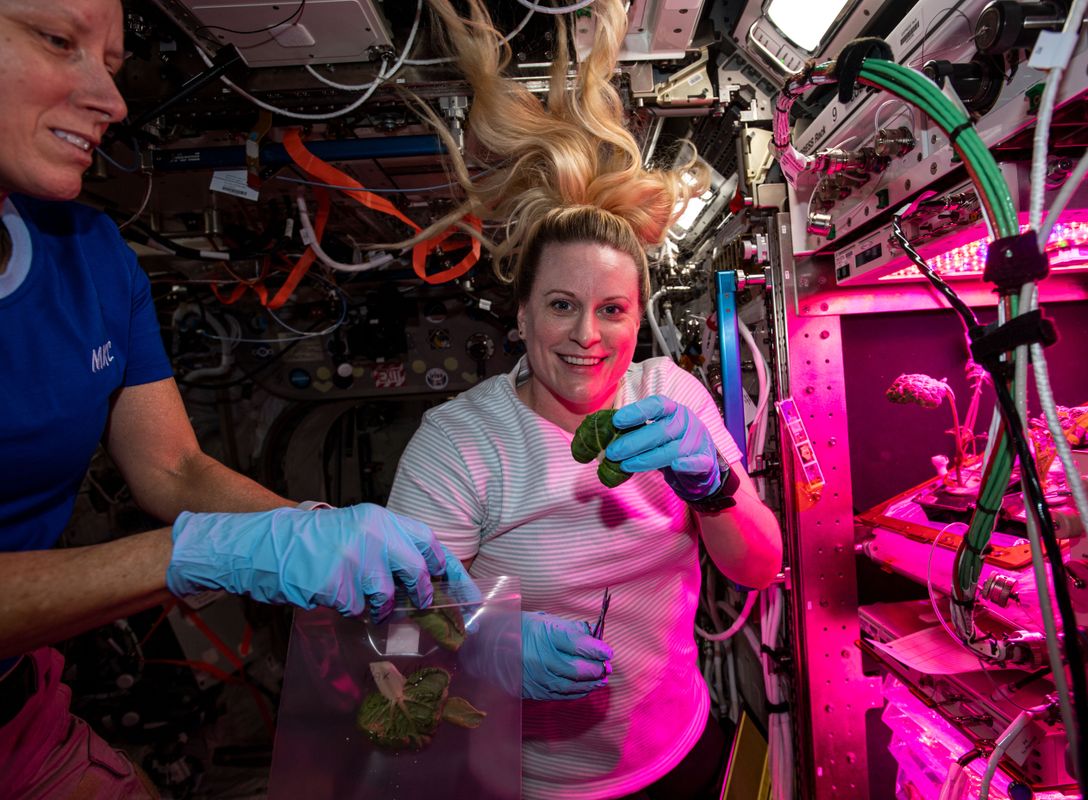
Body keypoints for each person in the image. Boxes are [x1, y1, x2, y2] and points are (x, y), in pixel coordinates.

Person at [0, 1, 472, 796]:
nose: (112, 102)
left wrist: (311, 530)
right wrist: (205, 554)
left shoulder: (88, 253)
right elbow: (191, 530)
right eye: (57, 41)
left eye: (114, 66)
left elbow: (177, 469)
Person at [386, 1, 784, 797]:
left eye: (612, 310)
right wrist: (488, 641)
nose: (587, 337)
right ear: (523, 312)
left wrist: (715, 488)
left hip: (682, 752)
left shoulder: (668, 395)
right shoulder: (459, 442)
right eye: (562, 305)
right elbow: (398, 631)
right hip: (524, 778)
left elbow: (762, 566)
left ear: (641, 317)